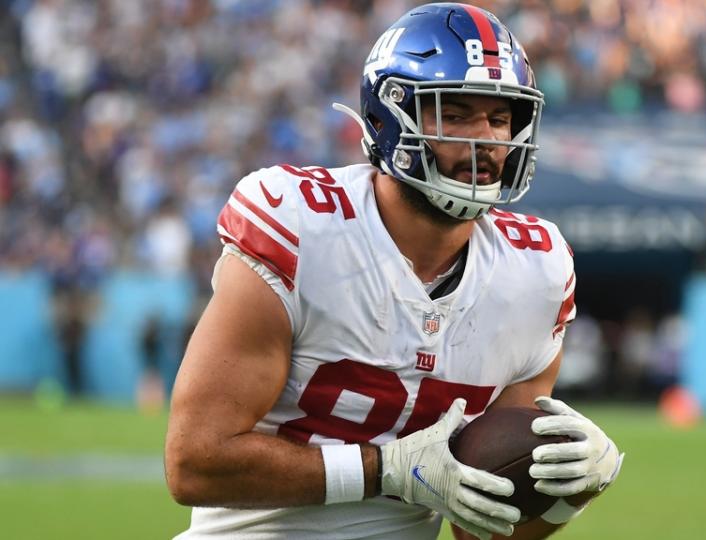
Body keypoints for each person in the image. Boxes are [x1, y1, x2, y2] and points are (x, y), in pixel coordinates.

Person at [164, 4, 623, 540]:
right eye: (455, 115)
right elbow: (195, 463)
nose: (487, 141)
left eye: (500, 119)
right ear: (386, 120)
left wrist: (572, 487)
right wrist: (388, 470)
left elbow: (482, 525)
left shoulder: (536, 270)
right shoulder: (300, 226)